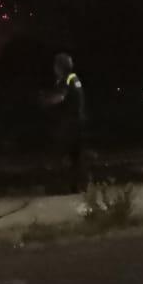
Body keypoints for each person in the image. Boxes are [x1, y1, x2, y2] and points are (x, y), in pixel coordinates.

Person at [53, 52, 88, 190]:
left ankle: (66, 185)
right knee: (76, 156)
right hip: (76, 122)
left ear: (60, 66)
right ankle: (78, 185)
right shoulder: (74, 78)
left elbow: (61, 97)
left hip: (70, 123)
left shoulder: (68, 79)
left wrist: (46, 101)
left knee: (65, 154)